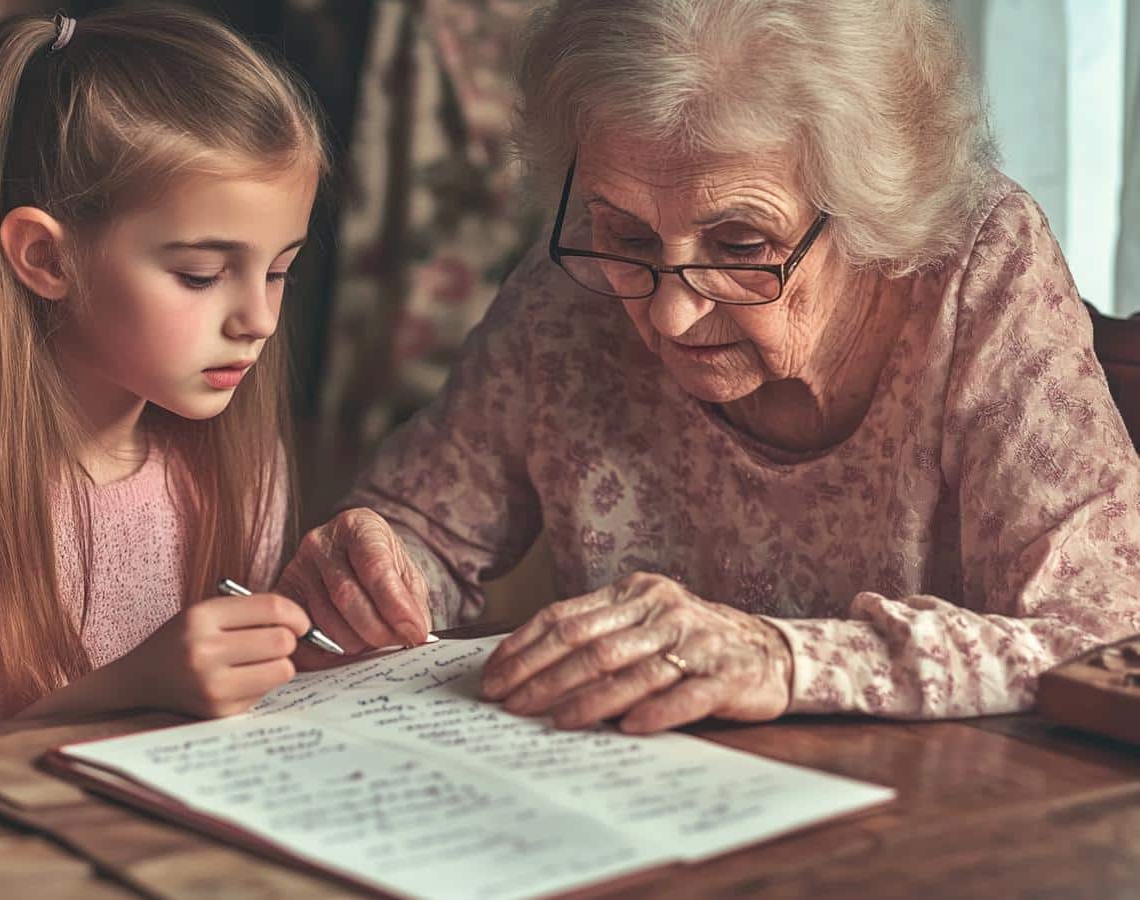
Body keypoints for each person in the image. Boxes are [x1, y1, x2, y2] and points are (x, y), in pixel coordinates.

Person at [278, 0, 1140, 731]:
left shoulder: (975, 268)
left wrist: (784, 659)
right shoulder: (575, 281)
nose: (669, 312)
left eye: (739, 243)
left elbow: (1103, 631)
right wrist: (373, 574)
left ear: (869, 212)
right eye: (629, 234)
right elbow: (423, 527)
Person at [0, 8, 325, 745]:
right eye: (201, 274)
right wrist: (125, 694)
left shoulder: (241, 467)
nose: (258, 320)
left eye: (279, 271)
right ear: (46, 258)